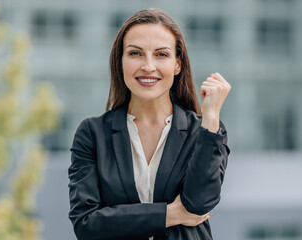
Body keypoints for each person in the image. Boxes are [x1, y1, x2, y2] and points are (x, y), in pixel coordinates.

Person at [68, 8, 231, 240]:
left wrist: (211, 116)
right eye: (135, 53)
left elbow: (199, 203)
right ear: (121, 62)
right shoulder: (93, 134)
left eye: (161, 55)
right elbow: (87, 224)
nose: (148, 66)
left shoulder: (205, 132)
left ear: (178, 65)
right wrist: (167, 214)